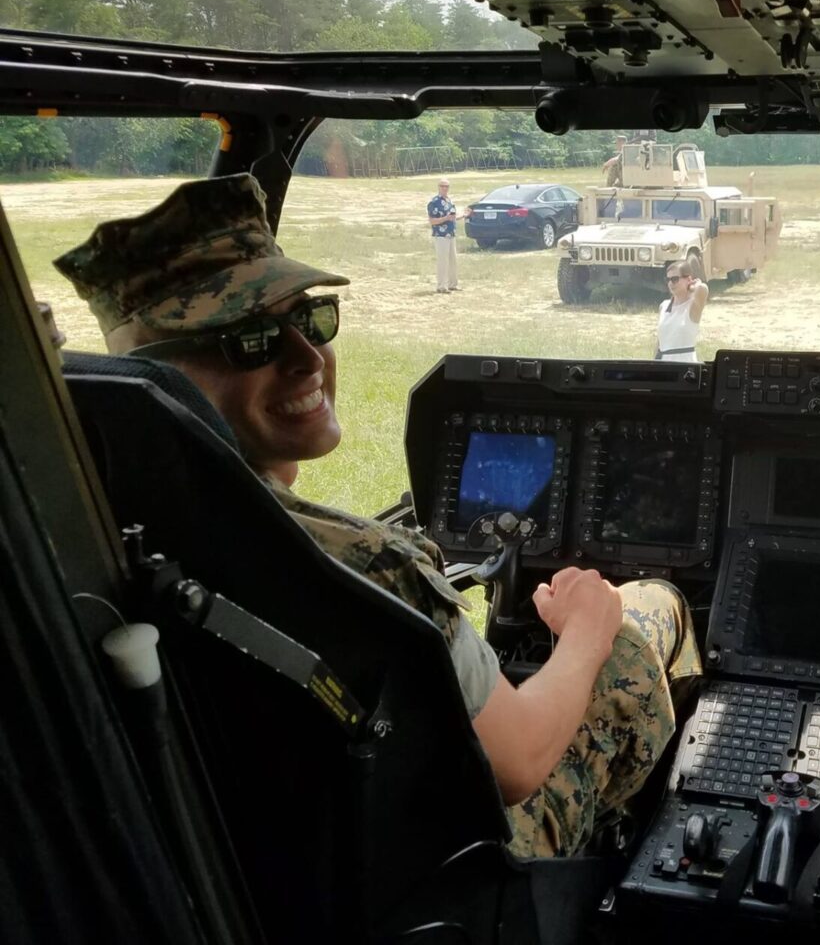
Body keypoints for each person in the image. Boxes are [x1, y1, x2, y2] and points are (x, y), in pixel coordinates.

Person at [54, 173, 702, 858]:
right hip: (451, 860)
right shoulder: (363, 562)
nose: (307, 360)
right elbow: (517, 764)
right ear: (153, 378)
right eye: (248, 342)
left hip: (269, 845)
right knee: (648, 611)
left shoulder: (95, 528)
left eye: (310, 320)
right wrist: (586, 633)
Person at [655, 255, 708, 362]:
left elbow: (703, 289)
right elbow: (659, 343)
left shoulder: (693, 307)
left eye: (675, 279)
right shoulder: (664, 306)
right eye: (668, 279)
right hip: (664, 362)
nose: (670, 283)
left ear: (688, 279)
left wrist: (693, 286)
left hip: (685, 362)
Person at [427, 177, 460, 294]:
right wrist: (446, 218)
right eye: (442, 186)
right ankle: (441, 286)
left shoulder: (449, 200)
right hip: (441, 235)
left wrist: (464, 215)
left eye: (447, 186)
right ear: (438, 187)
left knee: (453, 260)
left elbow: (453, 217)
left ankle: (452, 284)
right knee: (443, 261)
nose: (445, 188)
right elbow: (432, 221)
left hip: (451, 234)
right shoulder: (434, 202)